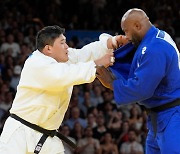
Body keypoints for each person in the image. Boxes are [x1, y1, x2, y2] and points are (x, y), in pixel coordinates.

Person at [0, 25, 128, 154]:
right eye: (62, 43)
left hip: (47, 137)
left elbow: (83, 54)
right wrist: (97, 63)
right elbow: (67, 74)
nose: (67, 46)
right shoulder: (36, 64)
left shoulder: (60, 58)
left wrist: (111, 42)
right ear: (48, 48)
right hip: (19, 135)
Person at [96, 8, 180, 154]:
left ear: (137, 26)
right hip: (158, 117)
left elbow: (142, 89)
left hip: (172, 116)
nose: (127, 37)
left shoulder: (155, 48)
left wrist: (111, 83)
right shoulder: (154, 38)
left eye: (126, 31)